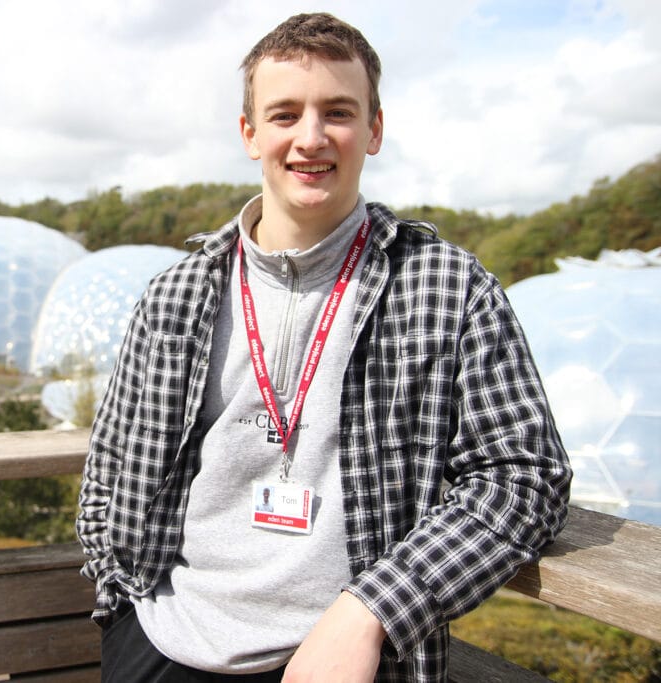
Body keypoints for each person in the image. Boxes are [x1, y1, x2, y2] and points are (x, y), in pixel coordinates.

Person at [77, 11, 571, 682]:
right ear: (250, 134)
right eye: (284, 115)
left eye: (337, 112)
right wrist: (124, 616)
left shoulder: (448, 288)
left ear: (374, 128)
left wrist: (375, 609)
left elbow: (524, 475)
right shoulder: (175, 296)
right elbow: (108, 468)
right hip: (165, 645)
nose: (310, 138)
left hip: (347, 662)